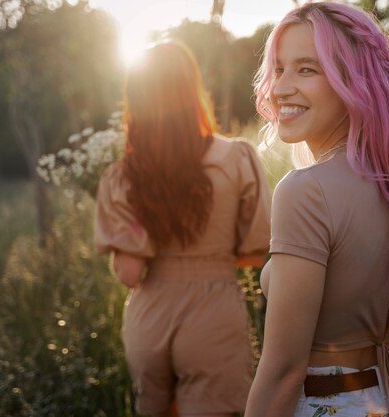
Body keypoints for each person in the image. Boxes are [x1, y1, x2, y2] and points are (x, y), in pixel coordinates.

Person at [245, 3, 389, 417]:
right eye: (279, 68)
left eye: (307, 69)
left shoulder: (305, 192)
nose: (280, 87)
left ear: (353, 81)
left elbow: (284, 370)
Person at [94, 41, 271, 417]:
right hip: (214, 313)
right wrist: (211, 259)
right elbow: (258, 251)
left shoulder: (122, 177)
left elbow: (128, 274)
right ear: (193, 91)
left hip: (149, 318)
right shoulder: (236, 158)